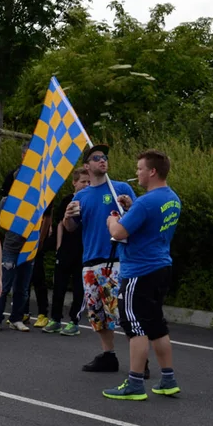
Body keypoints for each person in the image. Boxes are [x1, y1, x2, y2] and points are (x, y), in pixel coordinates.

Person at [103, 150, 182, 400]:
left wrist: (111, 222)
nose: (136, 173)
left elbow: (120, 233)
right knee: (156, 324)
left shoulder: (146, 202)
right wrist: (131, 208)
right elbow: (148, 224)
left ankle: (135, 382)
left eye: (139, 169)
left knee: (134, 325)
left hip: (139, 270)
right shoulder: (171, 198)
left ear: (152, 171)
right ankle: (168, 379)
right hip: (161, 266)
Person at [62, 144, 136, 372]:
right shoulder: (81, 196)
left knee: (122, 313)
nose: (102, 160)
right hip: (91, 261)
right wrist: (67, 217)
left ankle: (140, 361)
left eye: (104, 157)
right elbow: (72, 227)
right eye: (96, 158)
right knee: (98, 315)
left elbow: (137, 218)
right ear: (87, 165)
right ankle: (108, 355)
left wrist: (130, 207)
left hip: (116, 260)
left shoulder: (120, 189)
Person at [0, 193, 51, 332]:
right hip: (11, 248)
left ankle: (16, 319)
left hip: (29, 248)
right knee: (4, 286)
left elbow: (44, 221)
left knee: (22, 288)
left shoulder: (37, 202)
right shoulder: (7, 200)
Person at [42, 168, 88, 336]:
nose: (86, 185)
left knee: (79, 288)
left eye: (89, 182)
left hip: (83, 251)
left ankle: (74, 321)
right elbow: (61, 224)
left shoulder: (90, 201)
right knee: (59, 286)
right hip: (66, 250)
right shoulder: (68, 200)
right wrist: (59, 247)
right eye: (83, 181)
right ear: (74, 182)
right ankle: (55, 319)